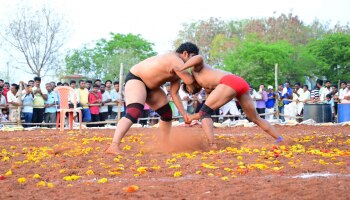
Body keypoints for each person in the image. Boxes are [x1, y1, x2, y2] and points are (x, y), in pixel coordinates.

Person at [105, 42, 199, 155]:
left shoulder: (179, 71)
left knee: (167, 114)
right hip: (137, 79)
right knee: (134, 112)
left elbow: (174, 94)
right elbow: (190, 82)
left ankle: (165, 144)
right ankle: (113, 145)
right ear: (185, 53)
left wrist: (184, 114)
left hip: (152, 88)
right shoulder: (175, 59)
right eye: (193, 57)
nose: (194, 62)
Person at [177, 55, 284, 148]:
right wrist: (192, 117)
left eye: (188, 88)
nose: (190, 91)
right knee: (255, 117)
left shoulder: (195, 71)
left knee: (205, 113)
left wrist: (181, 68)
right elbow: (206, 111)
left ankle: (212, 145)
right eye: (189, 92)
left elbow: (198, 58)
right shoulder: (207, 86)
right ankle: (280, 139)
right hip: (239, 82)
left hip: (229, 81)